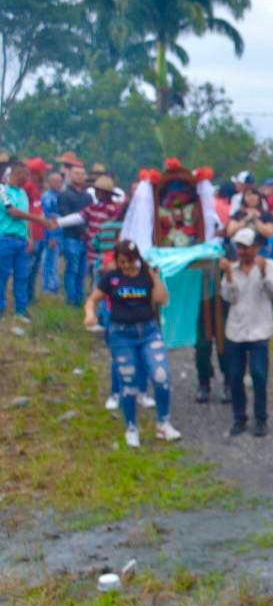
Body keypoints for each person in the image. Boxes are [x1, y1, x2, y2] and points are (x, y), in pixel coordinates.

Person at [84, 240, 182, 448]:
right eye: (122, 262)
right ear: (117, 261)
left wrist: (153, 275)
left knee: (161, 375)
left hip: (148, 331)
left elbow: (162, 299)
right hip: (121, 335)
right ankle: (131, 427)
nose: (127, 266)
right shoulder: (111, 278)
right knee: (128, 382)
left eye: (131, 261)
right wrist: (90, 315)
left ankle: (163, 423)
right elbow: (93, 299)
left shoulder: (146, 275)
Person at [220, 227, 273, 437]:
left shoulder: (270, 265)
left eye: (245, 247)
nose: (241, 251)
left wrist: (264, 272)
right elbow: (229, 298)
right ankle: (239, 417)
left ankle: (261, 418)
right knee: (235, 375)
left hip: (260, 329)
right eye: (239, 247)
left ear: (256, 248)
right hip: (236, 329)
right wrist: (228, 275)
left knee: (259, 374)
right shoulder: (233, 268)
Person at [0, 162, 46, 323]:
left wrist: (30, 237)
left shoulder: (23, 194)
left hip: (21, 240)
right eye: (24, 174)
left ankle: (21, 310)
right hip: (4, 239)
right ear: (16, 173)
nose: (27, 178)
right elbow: (12, 212)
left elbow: (25, 219)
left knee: (22, 276)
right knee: (2, 275)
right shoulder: (2, 190)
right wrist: (38, 219)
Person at [56, 163, 93, 306]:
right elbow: (66, 216)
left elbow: (91, 215)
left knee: (82, 271)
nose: (80, 176)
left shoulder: (88, 196)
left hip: (86, 238)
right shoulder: (64, 195)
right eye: (77, 173)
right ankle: (71, 299)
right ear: (70, 176)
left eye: (83, 173)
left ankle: (80, 298)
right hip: (71, 237)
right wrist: (84, 231)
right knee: (72, 268)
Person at [22, 158, 48, 304]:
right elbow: (25, 211)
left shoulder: (36, 187)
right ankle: (25, 297)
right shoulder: (28, 187)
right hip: (32, 233)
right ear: (38, 172)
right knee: (29, 267)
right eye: (44, 170)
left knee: (34, 267)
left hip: (39, 232)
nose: (45, 173)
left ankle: (30, 296)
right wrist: (28, 235)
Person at [39, 170, 62, 294]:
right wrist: (52, 236)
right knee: (49, 261)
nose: (58, 184)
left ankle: (53, 285)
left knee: (55, 261)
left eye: (60, 181)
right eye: (55, 181)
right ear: (49, 182)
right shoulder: (47, 197)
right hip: (50, 234)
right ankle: (48, 287)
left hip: (59, 234)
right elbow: (48, 218)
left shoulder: (60, 195)